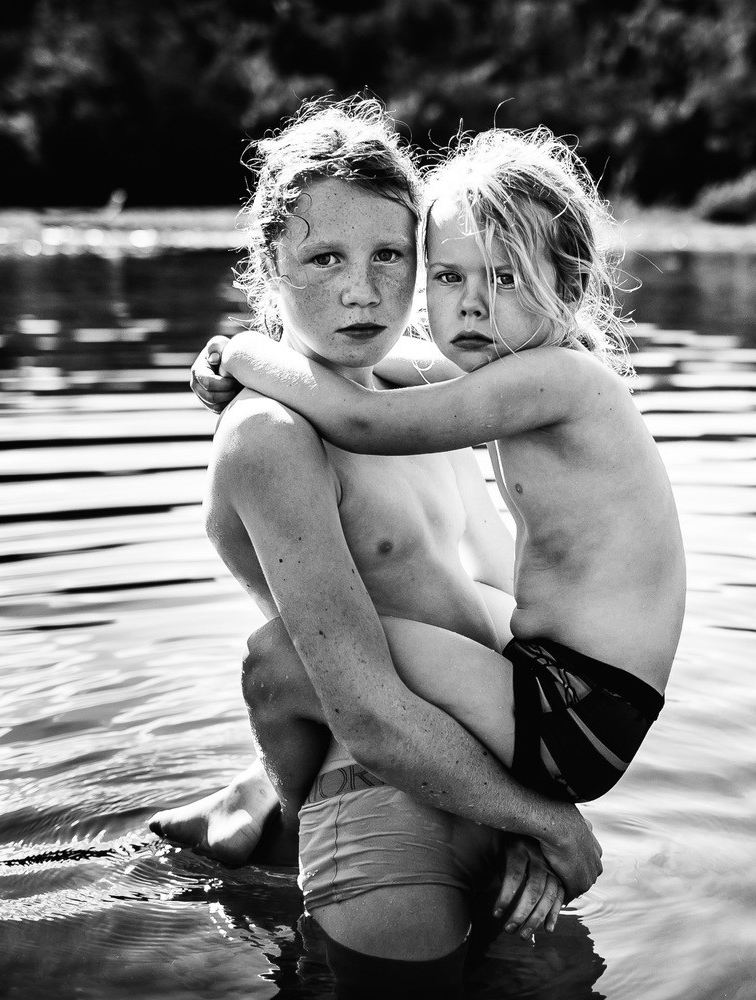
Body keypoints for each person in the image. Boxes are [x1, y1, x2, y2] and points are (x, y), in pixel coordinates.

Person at [147, 96, 601, 996]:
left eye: (389, 255)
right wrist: (550, 824)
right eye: (325, 258)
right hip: (387, 805)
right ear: (269, 265)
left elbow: (557, 344)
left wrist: (534, 808)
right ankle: (271, 824)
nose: (363, 291)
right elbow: (364, 711)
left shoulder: (423, 385)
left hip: (491, 779)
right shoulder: (272, 437)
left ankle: (256, 814)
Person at [192, 126, 686, 810]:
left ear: (569, 284)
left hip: (571, 708)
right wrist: (250, 365)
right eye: (450, 277)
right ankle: (263, 792)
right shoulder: (523, 364)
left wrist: (244, 352)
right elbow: (364, 369)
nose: (472, 304)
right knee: (351, 655)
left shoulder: (553, 380)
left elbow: (363, 419)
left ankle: (269, 810)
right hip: (577, 696)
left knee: (289, 656)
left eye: (505, 278)